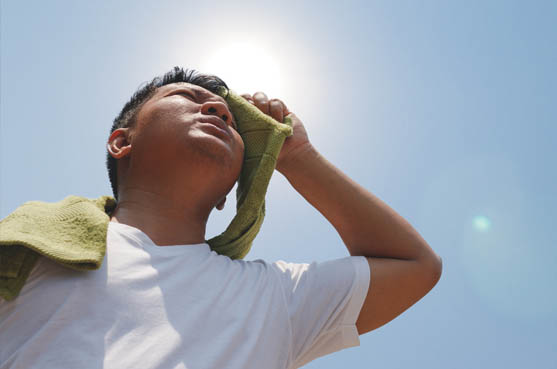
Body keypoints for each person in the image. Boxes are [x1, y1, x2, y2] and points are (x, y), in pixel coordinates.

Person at [0, 67, 442, 369]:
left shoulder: (273, 298)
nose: (217, 111)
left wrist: (299, 157)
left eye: (231, 120)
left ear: (228, 195)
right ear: (121, 141)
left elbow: (414, 266)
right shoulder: (29, 248)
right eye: (187, 98)